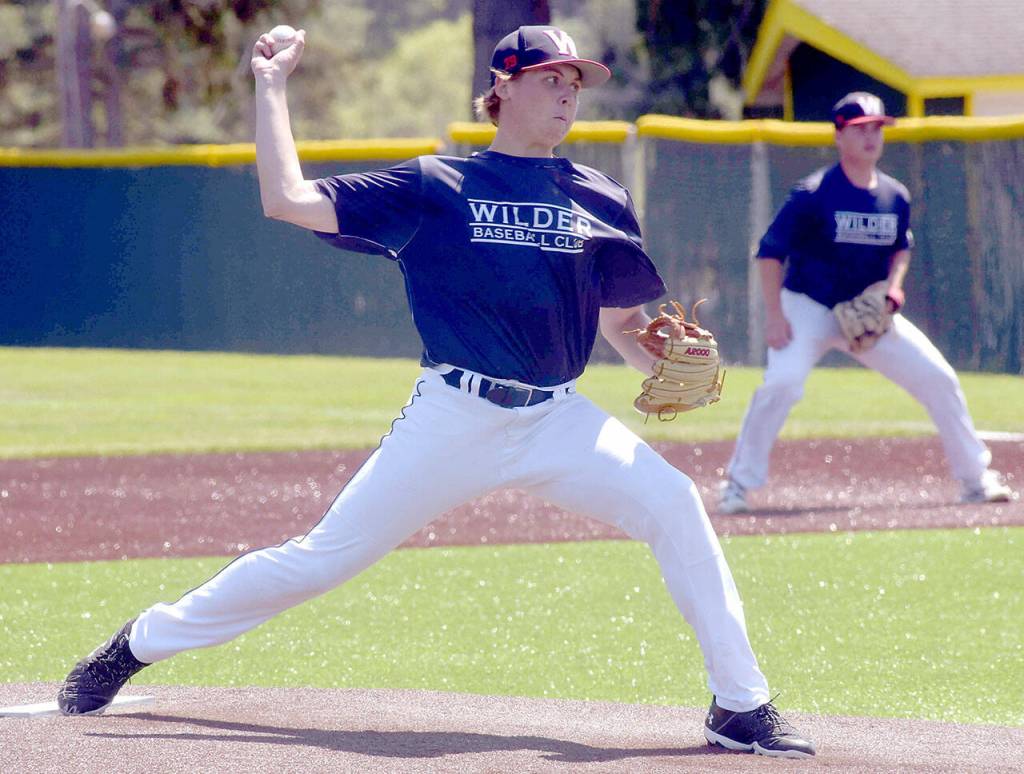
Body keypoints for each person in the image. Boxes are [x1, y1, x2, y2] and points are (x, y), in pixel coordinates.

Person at [57, 24, 815, 758]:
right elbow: (286, 198)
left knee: (675, 503)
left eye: (575, 82)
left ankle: (739, 706)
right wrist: (271, 85)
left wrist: (657, 353)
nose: (567, 93)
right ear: (502, 88)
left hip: (557, 419)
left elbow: (620, 321)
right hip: (455, 415)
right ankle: (139, 642)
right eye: (550, 79)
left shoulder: (601, 195)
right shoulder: (435, 185)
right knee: (320, 561)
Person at [719, 92, 1016, 515]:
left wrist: (894, 287)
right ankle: (737, 485)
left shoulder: (895, 195)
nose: (871, 136)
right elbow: (769, 254)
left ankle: (975, 479)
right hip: (808, 307)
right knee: (782, 384)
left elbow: (901, 249)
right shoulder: (812, 193)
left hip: (868, 312)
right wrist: (775, 316)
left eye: (877, 128)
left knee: (938, 378)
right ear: (839, 135)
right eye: (860, 129)